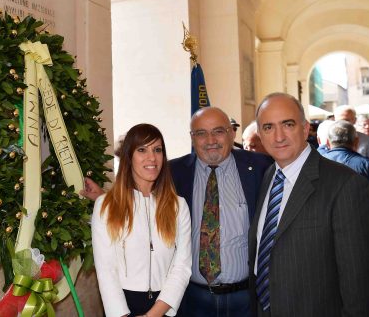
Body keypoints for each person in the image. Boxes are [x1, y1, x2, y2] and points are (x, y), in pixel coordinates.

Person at [83, 108, 273, 316]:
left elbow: (180, 264)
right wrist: (105, 200)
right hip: (191, 300)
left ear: (231, 133)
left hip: (242, 297)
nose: (210, 140)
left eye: (218, 131)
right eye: (201, 133)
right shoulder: (177, 171)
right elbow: (110, 263)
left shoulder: (261, 167)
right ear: (192, 137)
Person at [248, 93, 369, 317]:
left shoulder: (347, 186)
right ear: (260, 135)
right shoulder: (268, 176)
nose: (278, 136)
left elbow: (361, 287)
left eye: (288, 124)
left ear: (305, 129)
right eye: (268, 127)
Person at [92, 124, 192, 317]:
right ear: (128, 157)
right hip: (122, 308)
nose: (152, 157)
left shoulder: (178, 206)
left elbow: (182, 266)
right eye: (142, 150)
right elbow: (106, 269)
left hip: (165, 306)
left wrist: (152, 315)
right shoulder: (106, 205)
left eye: (157, 150)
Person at [321, 120, 369, 224]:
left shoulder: (314, 164)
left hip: (324, 228)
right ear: (356, 141)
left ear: (327, 142)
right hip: (363, 227)